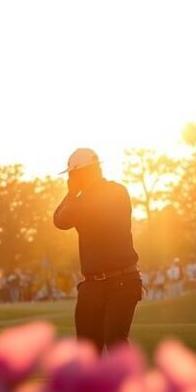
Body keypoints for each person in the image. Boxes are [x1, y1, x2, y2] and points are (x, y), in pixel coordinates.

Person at [53, 148, 142, 354]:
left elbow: (63, 219)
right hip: (92, 284)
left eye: (72, 175)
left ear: (83, 173)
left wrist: (73, 195)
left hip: (122, 281)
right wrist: (72, 194)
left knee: (115, 342)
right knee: (86, 350)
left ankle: (125, 385)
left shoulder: (114, 192)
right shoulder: (81, 200)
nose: (70, 179)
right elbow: (59, 221)